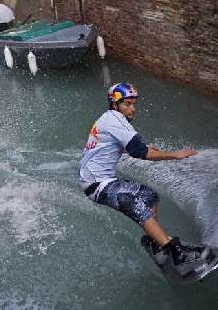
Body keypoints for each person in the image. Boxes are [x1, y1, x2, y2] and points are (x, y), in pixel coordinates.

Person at [79, 82, 211, 276]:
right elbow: (140, 152)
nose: (133, 108)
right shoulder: (114, 120)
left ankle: (155, 244)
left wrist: (147, 149)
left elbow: (124, 147)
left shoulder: (113, 119)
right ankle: (177, 253)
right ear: (115, 105)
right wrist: (175, 155)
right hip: (95, 184)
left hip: (106, 180)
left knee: (149, 196)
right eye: (127, 104)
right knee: (131, 201)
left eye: (134, 103)